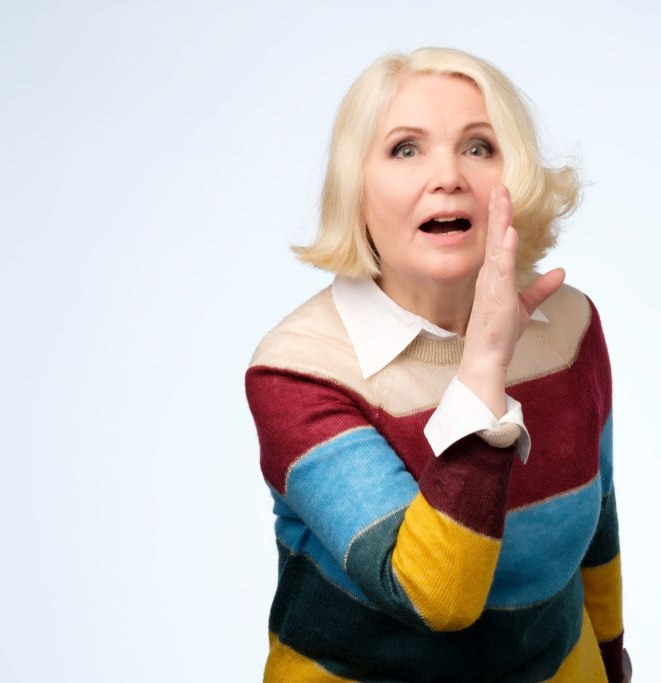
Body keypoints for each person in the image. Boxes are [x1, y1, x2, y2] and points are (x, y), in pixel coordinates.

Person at [245, 47, 631, 682]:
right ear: (356, 187)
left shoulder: (571, 327)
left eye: (479, 147)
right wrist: (483, 372)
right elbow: (436, 597)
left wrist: (614, 661)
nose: (448, 175)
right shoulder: (298, 372)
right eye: (405, 149)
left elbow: (597, 523)